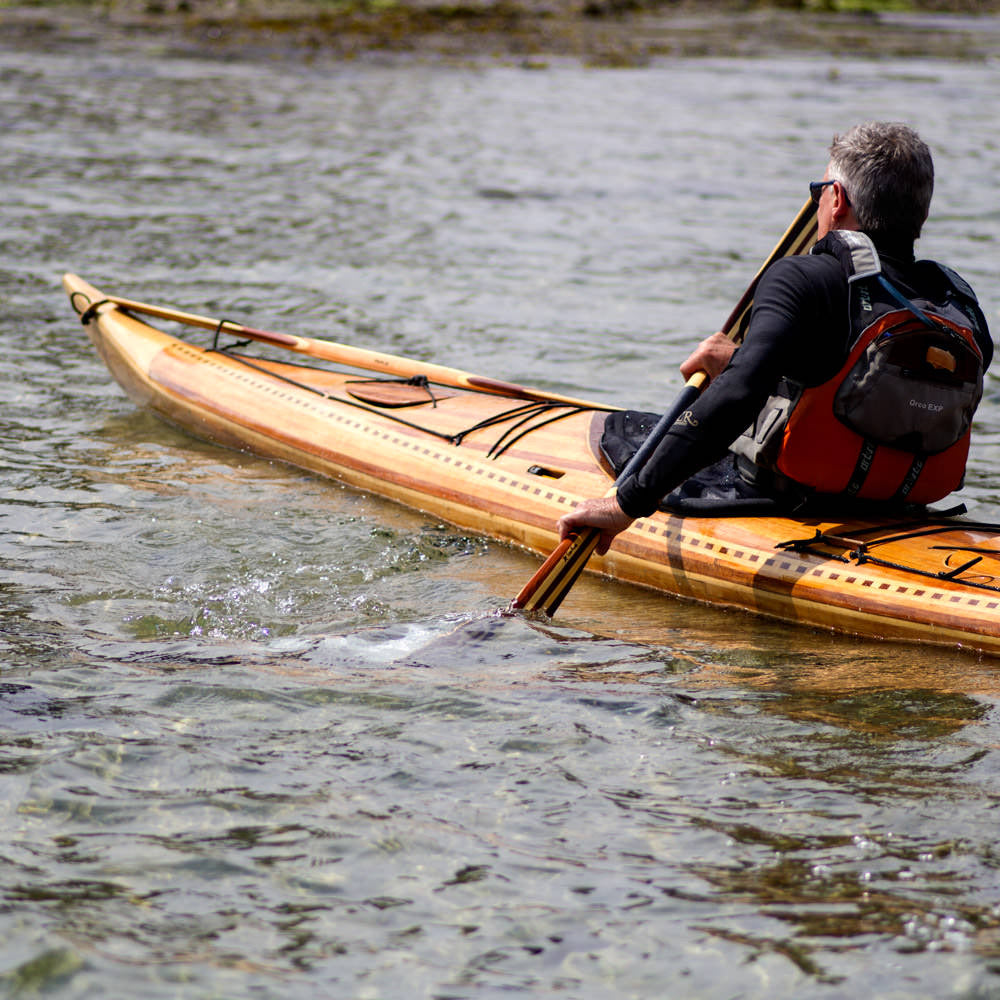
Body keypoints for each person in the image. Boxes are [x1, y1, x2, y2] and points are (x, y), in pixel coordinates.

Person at [559, 121, 993, 556]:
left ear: (836, 199)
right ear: (921, 212)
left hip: (797, 496)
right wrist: (738, 359)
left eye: (820, 189)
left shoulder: (802, 278)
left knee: (616, 429)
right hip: (902, 502)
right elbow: (846, 380)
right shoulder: (960, 305)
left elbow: (737, 398)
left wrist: (625, 504)